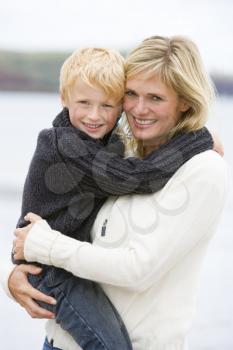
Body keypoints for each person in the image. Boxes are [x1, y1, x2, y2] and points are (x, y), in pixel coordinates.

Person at [3, 35, 228, 350]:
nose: (138, 108)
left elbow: (136, 270)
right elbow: (58, 224)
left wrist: (43, 245)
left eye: (155, 98)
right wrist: (12, 278)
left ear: (185, 101)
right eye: (131, 94)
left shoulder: (202, 171)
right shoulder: (120, 152)